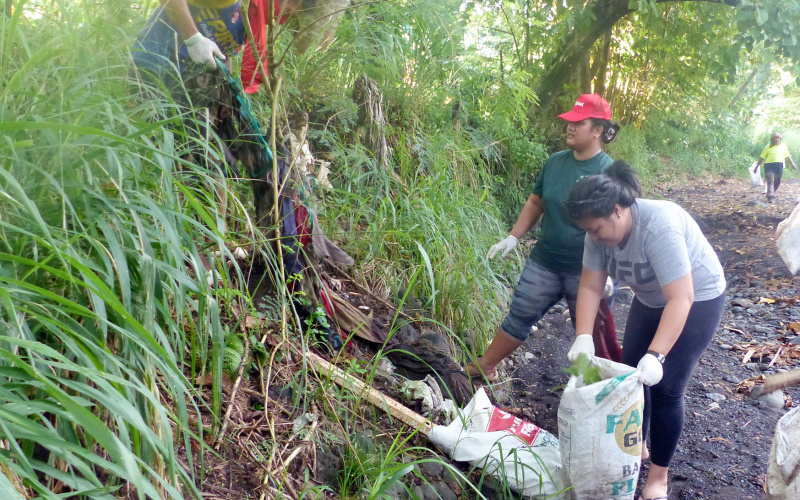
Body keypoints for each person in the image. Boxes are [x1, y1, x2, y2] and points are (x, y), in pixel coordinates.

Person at [565, 160, 726, 500]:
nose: (593, 237)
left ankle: (658, 478)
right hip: (650, 298)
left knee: (666, 387)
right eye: (588, 231)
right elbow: (591, 287)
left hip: (698, 298)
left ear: (617, 210)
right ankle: (636, 446)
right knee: (632, 375)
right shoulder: (597, 235)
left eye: (596, 229)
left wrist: (657, 354)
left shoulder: (658, 226)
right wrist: (583, 337)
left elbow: (681, 298)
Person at [465, 94, 620, 381]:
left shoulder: (609, 172)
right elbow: (536, 202)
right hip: (545, 261)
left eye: (579, 123)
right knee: (519, 314)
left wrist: (613, 267)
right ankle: (485, 366)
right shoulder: (555, 162)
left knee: (591, 333)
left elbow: (619, 224)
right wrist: (513, 238)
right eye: (569, 121)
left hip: (588, 270)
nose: (570, 127)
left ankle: (594, 389)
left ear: (598, 130)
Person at [753, 133, 797, 203]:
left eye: (778, 138)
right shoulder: (768, 147)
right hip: (769, 165)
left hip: (779, 166)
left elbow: (788, 156)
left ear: (780, 139)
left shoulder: (783, 146)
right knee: (770, 181)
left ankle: (771, 193)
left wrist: (793, 164)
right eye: (775, 138)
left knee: (777, 181)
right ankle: (770, 196)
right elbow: (762, 157)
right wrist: (756, 166)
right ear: (772, 139)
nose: (776, 139)